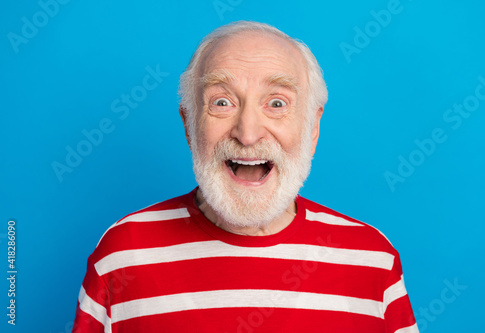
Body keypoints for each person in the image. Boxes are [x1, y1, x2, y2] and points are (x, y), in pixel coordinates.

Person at [72, 21, 418, 333]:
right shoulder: (122, 255)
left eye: (277, 103)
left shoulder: (373, 259)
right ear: (189, 127)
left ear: (312, 129)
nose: (248, 133)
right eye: (221, 102)